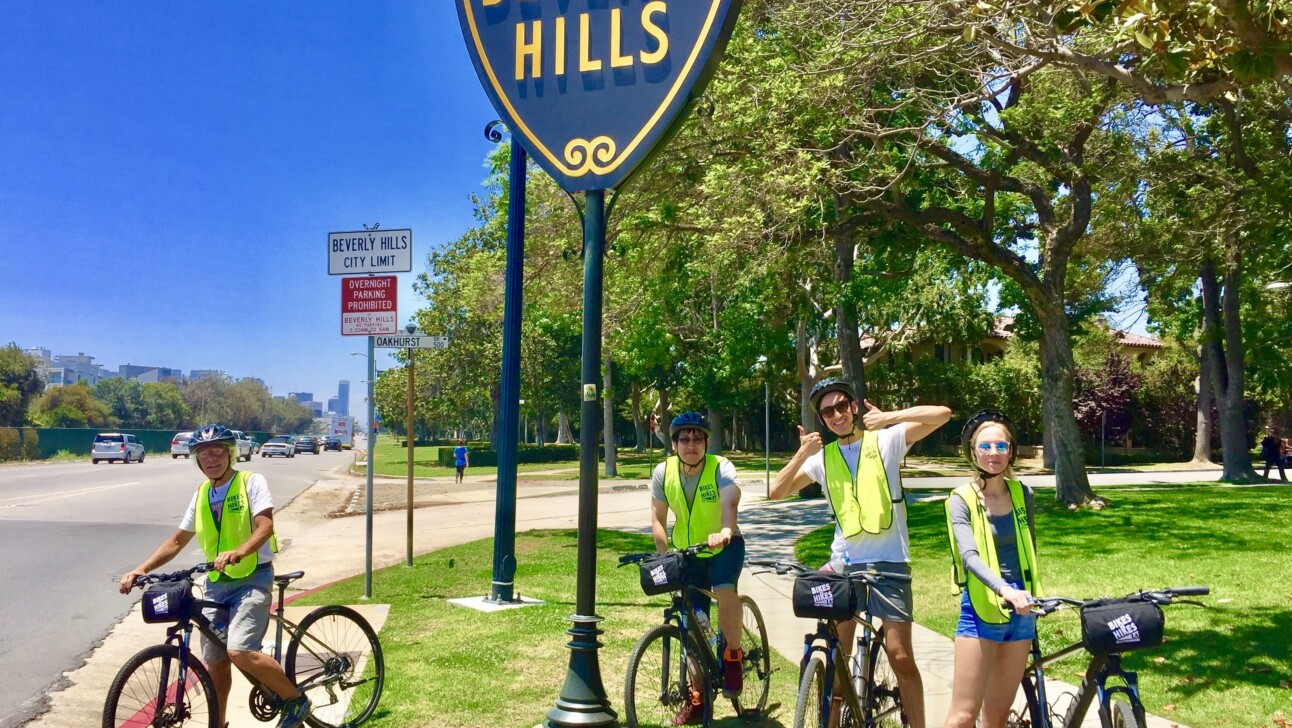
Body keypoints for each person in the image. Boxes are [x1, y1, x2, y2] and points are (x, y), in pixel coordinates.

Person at [771, 377, 951, 728]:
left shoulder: (886, 440)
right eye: (827, 412)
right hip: (844, 565)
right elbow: (776, 492)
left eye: (841, 406)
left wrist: (890, 418)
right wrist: (801, 454)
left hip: (890, 563)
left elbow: (942, 414)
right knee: (840, 655)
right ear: (821, 420)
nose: (836, 415)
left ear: (853, 407)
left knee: (900, 656)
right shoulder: (823, 458)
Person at [118, 424, 310, 728]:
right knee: (216, 664)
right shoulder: (202, 494)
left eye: (218, 452)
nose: (211, 459)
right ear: (196, 459)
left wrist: (240, 551)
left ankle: (296, 701)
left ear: (230, 454)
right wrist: (142, 568)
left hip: (252, 578)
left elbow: (265, 526)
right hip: (216, 584)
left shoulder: (250, 482)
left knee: (239, 650)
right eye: (204, 454)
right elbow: (178, 540)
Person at [943, 411, 1040, 728]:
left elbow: (1030, 549)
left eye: (1001, 445)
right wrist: (1005, 589)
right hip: (982, 611)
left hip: (1023, 612)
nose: (994, 453)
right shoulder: (961, 499)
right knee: (962, 717)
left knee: (996, 716)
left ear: (1011, 450)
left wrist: (1029, 596)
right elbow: (969, 557)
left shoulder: (1023, 494)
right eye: (986, 446)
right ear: (973, 452)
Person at [649, 411, 745, 723]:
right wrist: (665, 557)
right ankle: (698, 696)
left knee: (725, 590)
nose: (692, 444)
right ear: (674, 443)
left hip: (724, 546)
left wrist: (726, 531)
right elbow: (657, 520)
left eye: (698, 438)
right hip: (687, 551)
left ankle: (732, 655)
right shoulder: (663, 472)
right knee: (689, 621)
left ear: (706, 441)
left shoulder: (721, 466)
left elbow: (730, 501)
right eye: (685, 438)